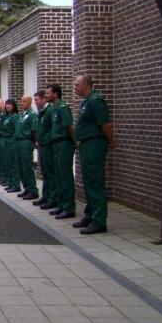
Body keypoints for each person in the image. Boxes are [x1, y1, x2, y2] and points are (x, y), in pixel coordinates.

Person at [73, 75, 117, 234]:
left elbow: (105, 123)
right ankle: (90, 215)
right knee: (88, 181)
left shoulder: (95, 100)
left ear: (87, 85)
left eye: (77, 85)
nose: (75, 87)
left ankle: (99, 221)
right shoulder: (87, 101)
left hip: (94, 144)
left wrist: (111, 141)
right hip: (86, 144)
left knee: (95, 181)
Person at [46, 84, 76, 220]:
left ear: (56, 94)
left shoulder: (63, 108)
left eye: (48, 93)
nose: (46, 95)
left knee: (65, 176)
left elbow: (69, 126)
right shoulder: (53, 108)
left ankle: (69, 208)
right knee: (58, 176)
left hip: (64, 143)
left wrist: (75, 142)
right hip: (56, 144)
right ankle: (62, 204)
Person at [33, 91, 57, 209]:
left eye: (37, 100)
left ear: (43, 100)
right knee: (45, 173)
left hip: (48, 146)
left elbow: (53, 129)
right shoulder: (42, 112)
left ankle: (53, 198)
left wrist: (47, 141)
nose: (35, 102)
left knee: (50, 173)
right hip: (42, 145)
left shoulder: (49, 111)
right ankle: (46, 196)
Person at [14, 95, 39, 200]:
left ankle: (33, 191)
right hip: (19, 142)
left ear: (29, 102)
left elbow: (34, 131)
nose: (22, 103)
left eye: (24, 101)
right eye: (21, 101)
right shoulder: (22, 114)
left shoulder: (32, 115)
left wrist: (36, 142)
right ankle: (26, 188)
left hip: (26, 142)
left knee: (27, 167)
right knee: (20, 167)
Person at [2, 99, 20, 193]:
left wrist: (13, 141)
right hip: (6, 142)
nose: (7, 106)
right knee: (8, 163)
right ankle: (11, 183)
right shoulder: (7, 116)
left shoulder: (15, 117)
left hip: (12, 142)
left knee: (14, 164)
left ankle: (16, 184)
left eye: (9, 104)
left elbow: (16, 131)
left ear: (14, 106)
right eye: (6, 104)